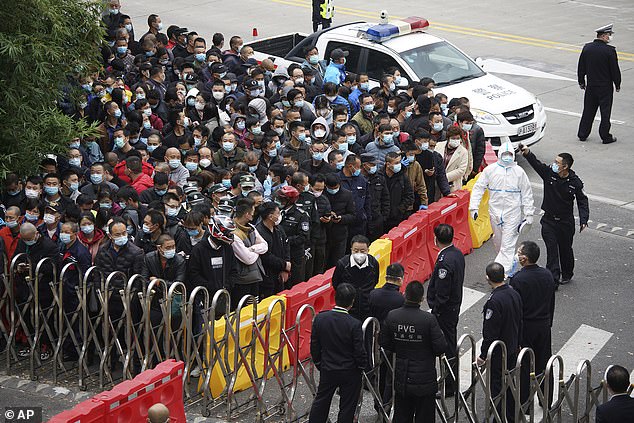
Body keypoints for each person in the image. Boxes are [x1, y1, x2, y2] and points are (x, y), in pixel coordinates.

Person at [520, 146, 589, 286]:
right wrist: (527, 153)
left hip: (565, 223)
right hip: (549, 221)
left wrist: (584, 220)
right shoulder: (548, 174)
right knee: (552, 250)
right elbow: (536, 164)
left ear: (565, 167)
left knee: (565, 249)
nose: (554, 164)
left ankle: (567, 273)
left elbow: (582, 201)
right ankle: (553, 279)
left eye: (557, 163)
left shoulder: (575, 182)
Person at [381, 281, 447, 423]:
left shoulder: (393, 316)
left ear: (404, 295)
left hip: (402, 377)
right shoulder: (428, 319)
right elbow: (441, 347)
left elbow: (384, 342)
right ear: (421, 299)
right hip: (425, 379)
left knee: (402, 415)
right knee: (425, 417)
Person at [469, 141, 535, 275]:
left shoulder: (519, 172)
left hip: (513, 214)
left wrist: (529, 214)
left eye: (509, 154)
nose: (507, 156)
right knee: (499, 243)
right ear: (500, 154)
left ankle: (501, 273)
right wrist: (473, 207)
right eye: (505, 154)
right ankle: (511, 262)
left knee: (508, 245)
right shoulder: (490, 170)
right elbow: (478, 188)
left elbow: (527, 194)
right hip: (495, 213)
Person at [308, 283, 367, 423]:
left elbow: (314, 346)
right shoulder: (354, 324)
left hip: (328, 367)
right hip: (350, 371)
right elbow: (359, 351)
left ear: (335, 297)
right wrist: (361, 367)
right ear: (352, 302)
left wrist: (319, 363)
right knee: (347, 407)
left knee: (321, 402)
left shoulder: (321, 318)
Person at [509, 241, 556, 407]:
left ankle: (524, 403)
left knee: (524, 365)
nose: (517, 254)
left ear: (524, 258)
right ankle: (547, 400)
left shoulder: (518, 280)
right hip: (543, 325)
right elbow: (551, 302)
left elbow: (516, 310)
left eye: (519, 252)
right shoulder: (547, 275)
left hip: (526, 327)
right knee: (544, 363)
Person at [477, 262, 522, 422]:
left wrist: (483, 354)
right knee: (509, 381)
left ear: (488, 278)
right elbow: (520, 320)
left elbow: (490, 333)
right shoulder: (513, 293)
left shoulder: (494, 301)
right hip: (512, 346)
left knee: (497, 385)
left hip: (498, 351)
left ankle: (498, 416)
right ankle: (509, 415)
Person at [426, 223, 465, 396]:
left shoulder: (445, 262)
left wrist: (436, 309)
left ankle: (450, 385)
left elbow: (442, 291)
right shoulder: (456, 253)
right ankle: (450, 381)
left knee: (447, 346)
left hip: (445, 311)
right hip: (453, 306)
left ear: (436, 239)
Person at [577, 24, 620, 144]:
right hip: (605, 87)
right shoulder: (610, 51)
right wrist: (617, 83)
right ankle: (605, 136)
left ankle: (583, 134)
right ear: (604, 36)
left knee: (588, 111)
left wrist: (581, 81)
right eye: (609, 35)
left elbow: (581, 66)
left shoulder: (587, 48)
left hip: (591, 86)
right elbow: (614, 70)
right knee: (605, 113)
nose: (610, 37)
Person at [331, 235, 379, 321]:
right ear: (351, 250)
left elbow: (375, 281)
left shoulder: (373, 263)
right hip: (348, 309)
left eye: (362, 251)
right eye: (356, 250)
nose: (359, 253)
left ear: (368, 250)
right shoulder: (342, 264)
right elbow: (336, 284)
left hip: (367, 308)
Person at [230, 198, 267, 308]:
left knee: (254, 309)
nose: (254, 214)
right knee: (242, 311)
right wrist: (256, 250)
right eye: (252, 211)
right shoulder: (233, 232)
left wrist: (251, 249)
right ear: (247, 214)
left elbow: (265, 246)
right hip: (241, 281)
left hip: (255, 278)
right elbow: (247, 259)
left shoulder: (251, 228)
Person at [255, 202, 291, 298]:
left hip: (280, 275)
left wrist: (285, 268)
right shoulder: (259, 232)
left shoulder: (279, 229)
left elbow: (286, 247)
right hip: (266, 278)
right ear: (270, 216)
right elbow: (266, 256)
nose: (279, 216)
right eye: (278, 213)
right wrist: (284, 265)